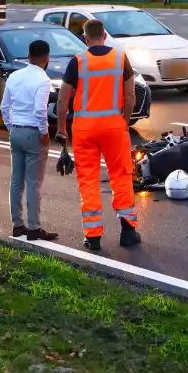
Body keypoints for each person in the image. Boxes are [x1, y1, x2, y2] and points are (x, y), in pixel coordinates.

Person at [56, 19, 140, 251]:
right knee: (121, 176)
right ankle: (128, 231)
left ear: (85, 38)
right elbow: (131, 95)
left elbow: (63, 98)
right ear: (104, 35)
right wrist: (122, 122)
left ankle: (93, 237)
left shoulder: (78, 61)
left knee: (89, 180)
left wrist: (62, 127)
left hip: (84, 128)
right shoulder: (121, 59)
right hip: (114, 125)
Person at [0, 39, 59, 242]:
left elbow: (4, 107)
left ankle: (17, 225)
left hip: (15, 131)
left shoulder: (14, 76)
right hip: (33, 132)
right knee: (34, 183)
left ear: (28, 55)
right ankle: (34, 228)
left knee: (16, 181)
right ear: (46, 58)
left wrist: (11, 126)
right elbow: (40, 111)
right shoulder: (43, 79)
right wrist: (44, 133)